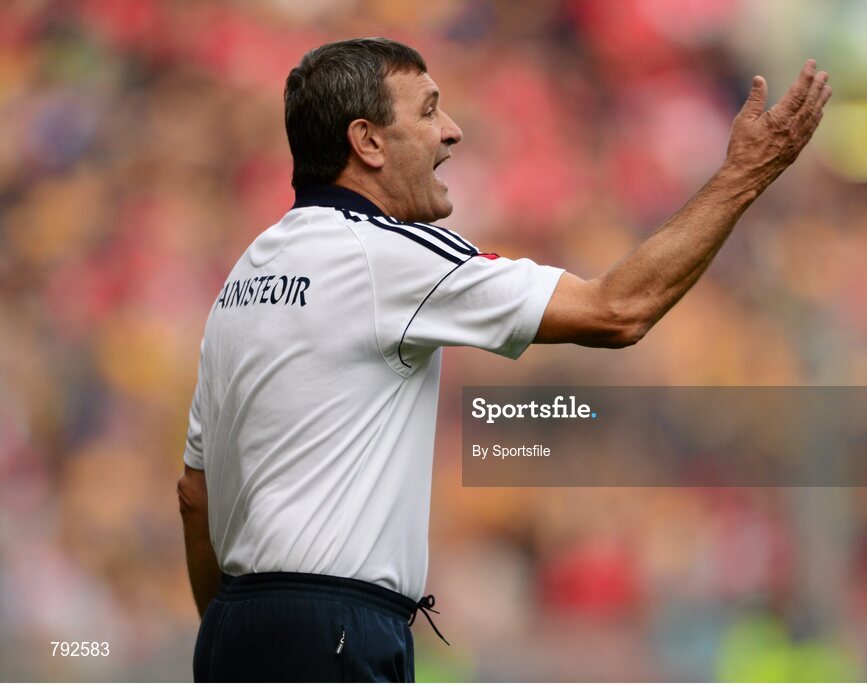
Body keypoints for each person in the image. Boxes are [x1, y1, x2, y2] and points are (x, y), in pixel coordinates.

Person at [177, 37, 830, 682]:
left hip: (234, 630)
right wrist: (746, 174)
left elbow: (194, 496)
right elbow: (618, 309)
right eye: (429, 111)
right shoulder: (388, 253)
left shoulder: (245, 277)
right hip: (337, 632)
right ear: (367, 142)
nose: (451, 132)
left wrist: (242, 630)